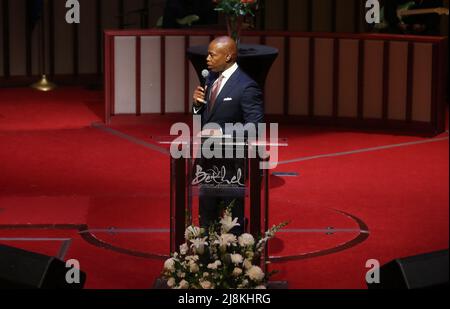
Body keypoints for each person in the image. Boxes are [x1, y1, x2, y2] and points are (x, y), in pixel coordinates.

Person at [192, 36, 264, 235]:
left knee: (232, 221)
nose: (207, 58)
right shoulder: (210, 78)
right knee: (206, 218)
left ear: (229, 56)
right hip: (207, 161)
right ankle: (206, 260)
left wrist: (222, 132)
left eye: (212, 55)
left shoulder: (247, 86)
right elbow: (204, 123)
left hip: (231, 166)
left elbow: (255, 127)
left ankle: (235, 261)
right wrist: (197, 107)